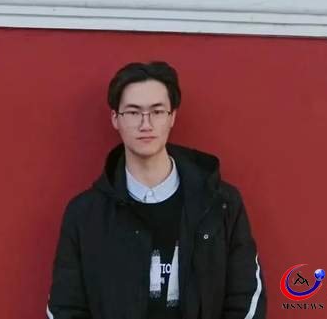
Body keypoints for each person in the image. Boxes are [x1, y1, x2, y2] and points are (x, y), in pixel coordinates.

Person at [47, 61, 266, 319]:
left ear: (172, 117)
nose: (146, 124)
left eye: (157, 111)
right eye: (133, 112)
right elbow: (65, 308)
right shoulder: (84, 214)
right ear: (115, 119)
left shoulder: (221, 203)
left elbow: (246, 298)